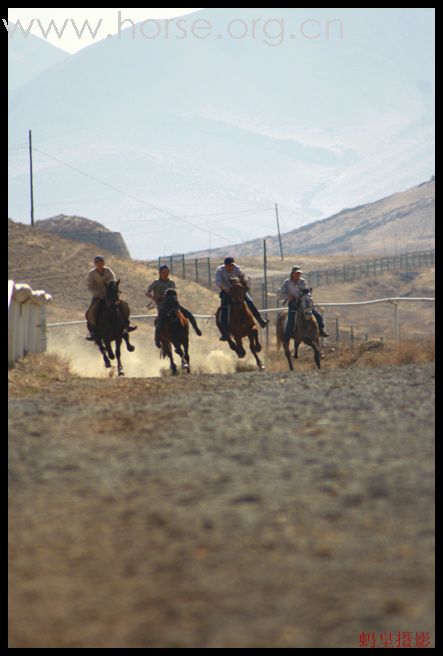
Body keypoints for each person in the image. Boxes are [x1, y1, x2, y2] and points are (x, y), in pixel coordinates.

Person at [146, 264, 202, 348]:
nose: (166, 274)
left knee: (188, 314)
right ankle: (157, 339)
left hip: (174, 304)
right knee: (160, 321)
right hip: (163, 306)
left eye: (167, 272)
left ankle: (196, 329)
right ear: (160, 273)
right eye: (164, 272)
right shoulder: (156, 283)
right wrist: (154, 297)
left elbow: (173, 293)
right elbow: (147, 292)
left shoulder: (172, 283)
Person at [215, 257, 269, 341]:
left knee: (250, 302)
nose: (230, 267)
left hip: (238, 290)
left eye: (231, 265)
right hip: (226, 291)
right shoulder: (220, 270)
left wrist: (242, 287)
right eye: (228, 265)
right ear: (225, 265)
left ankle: (260, 321)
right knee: (224, 308)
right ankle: (225, 333)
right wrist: (226, 289)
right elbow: (218, 282)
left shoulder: (237, 269)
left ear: (233, 264)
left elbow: (243, 279)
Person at [85, 256, 137, 340]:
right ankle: (92, 331)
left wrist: (110, 288)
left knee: (123, 305)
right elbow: (90, 286)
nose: (100, 264)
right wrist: (99, 293)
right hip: (98, 296)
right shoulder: (91, 274)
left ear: (103, 263)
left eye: (101, 262)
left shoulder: (108, 271)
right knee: (91, 311)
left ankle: (126, 324)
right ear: (95, 264)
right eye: (98, 263)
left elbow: (113, 280)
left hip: (110, 294)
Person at [279, 266, 329, 342]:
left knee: (317, 316)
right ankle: (286, 338)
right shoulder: (287, 283)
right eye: (296, 273)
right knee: (290, 321)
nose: (298, 275)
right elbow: (281, 294)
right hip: (293, 303)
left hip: (303, 302)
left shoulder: (302, 281)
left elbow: (306, 290)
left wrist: (306, 292)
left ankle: (321, 330)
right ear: (292, 274)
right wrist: (288, 296)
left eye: (299, 273)